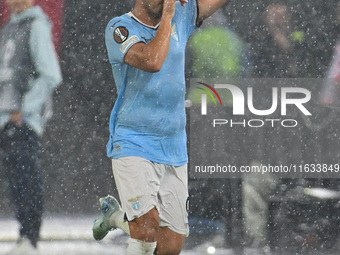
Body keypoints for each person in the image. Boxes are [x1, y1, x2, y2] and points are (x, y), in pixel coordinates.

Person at [92, 0, 230, 254]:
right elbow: (152, 60)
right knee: (146, 230)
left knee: (170, 246)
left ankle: (114, 217)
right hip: (134, 140)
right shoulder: (120, 28)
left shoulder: (184, 13)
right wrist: (168, 16)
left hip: (173, 146)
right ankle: (127, 221)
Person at [0, 0, 62, 253]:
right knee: (16, 183)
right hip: (5, 119)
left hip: (22, 121)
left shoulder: (36, 26)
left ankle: (29, 238)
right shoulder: (10, 28)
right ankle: (24, 237)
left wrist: (25, 110)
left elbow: (51, 73)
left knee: (26, 181)